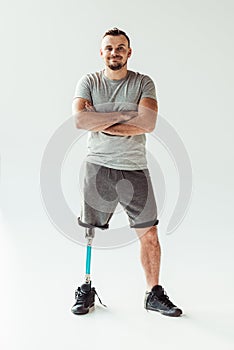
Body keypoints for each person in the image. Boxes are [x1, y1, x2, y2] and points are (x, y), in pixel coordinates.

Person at [71, 28, 182, 317]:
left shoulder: (143, 83)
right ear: (101, 52)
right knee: (90, 231)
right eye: (109, 48)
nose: (114, 52)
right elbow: (81, 120)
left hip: (134, 167)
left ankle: (153, 293)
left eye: (121, 47)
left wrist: (103, 119)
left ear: (129, 52)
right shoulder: (89, 82)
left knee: (150, 232)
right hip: (98, 165)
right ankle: (86, 288)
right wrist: (125, 114)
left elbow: (148, 123)